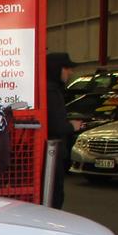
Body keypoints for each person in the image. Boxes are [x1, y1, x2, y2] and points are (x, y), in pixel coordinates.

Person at [45, 51, 76, 209]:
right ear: (57, 69)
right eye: (67, 68)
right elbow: (56, 125)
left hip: (51, 152)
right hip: (52, 152)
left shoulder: (49, 90)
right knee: (54, 196)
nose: (70, 72)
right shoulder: (51, 92)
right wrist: (72, 126)